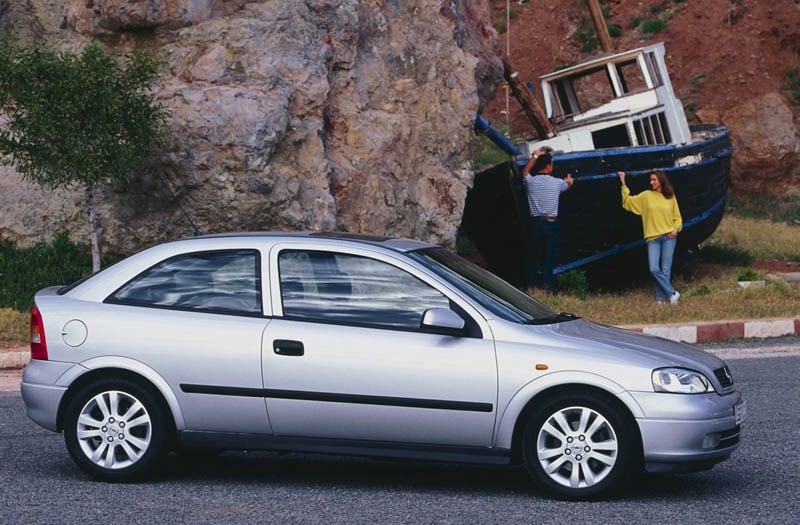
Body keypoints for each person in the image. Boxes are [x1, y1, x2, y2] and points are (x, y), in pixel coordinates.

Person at [617, 170, 683, 304]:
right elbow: (628, 202)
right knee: (653, 268)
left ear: (661, 181)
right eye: (650, 180)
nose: (651, 182)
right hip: (653, 238)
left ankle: (660, 299)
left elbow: (677, 217)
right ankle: (672, 293)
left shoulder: (670, 196)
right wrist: (623, 183)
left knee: (665, 269)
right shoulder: (646, 196)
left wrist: (676, 230)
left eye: (654, 180)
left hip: (669, 237)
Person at [522, 150, 574, 293]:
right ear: (549, 166)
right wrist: (570, 181)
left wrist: (535, 156)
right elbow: (567, 185)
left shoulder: (530, 182)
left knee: (533, 256)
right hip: (551, 223)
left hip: (535, 223)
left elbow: (525, 172)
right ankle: (547, 287)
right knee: (548, 257)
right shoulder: (557, 183)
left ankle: (532, 287)